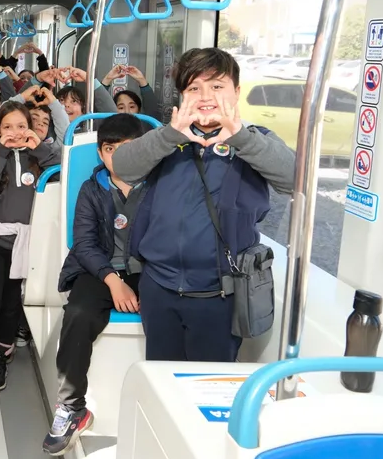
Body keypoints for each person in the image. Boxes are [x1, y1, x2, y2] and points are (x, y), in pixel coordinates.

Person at [114, 48, 295, 363]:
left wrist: (240, 138)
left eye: (217, 86)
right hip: (159, 288)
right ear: (183, 96)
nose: (206, 96)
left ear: (236, 92)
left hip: (220, 295)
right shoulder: (166, 139)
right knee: (162, 380)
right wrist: (170, 136)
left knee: (207, 384)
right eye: (194, 88)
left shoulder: (255, 141)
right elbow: (122, 166)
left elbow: (294, 179)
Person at [42, 114, 151, 456]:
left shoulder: (158, 187)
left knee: (171, 311)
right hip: (99, 270)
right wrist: (114, 281)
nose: (118, 156)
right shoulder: (92, 189)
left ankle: (159, 404)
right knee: (78, 313)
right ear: (101, 153)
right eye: (110, 149)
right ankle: (72, 407)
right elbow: (85, 244)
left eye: (128, 148)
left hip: (149, 270)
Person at [0, 101, 60, 392]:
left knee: (10, 307)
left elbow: (61, 173)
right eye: (7, 127)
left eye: (21, 126)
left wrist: (38, 147)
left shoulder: (38, 156)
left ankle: (0, 358)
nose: (15, 132)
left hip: (26, 244)